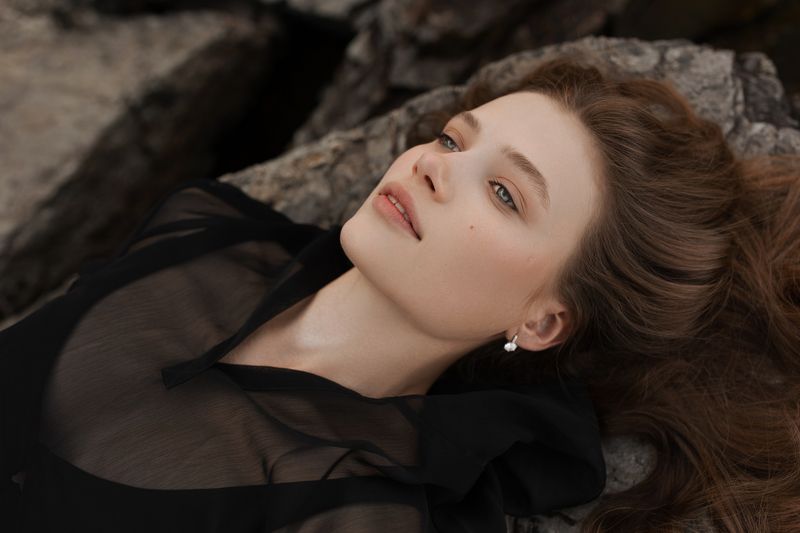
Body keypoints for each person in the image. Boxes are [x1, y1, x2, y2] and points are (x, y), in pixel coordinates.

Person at [0, 53, 797, 532]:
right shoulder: (211, 236)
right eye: (454, 137)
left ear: (543, 319)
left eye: (505, 194)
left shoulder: (352, 509)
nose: (435, 165)